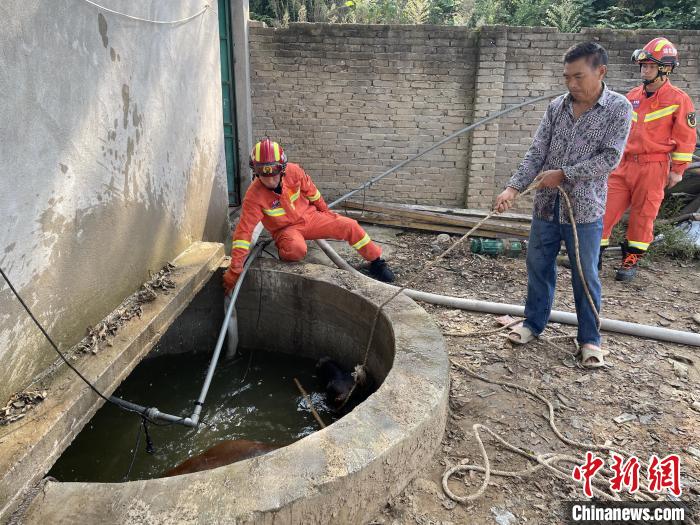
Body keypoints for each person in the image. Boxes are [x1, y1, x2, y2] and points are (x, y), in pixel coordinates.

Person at [494, 42, 632, 368]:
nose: (571, 84)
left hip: (584, 211)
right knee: (538, 268)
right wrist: (513, 188)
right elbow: (537, 152)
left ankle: (589, 340)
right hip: (545, 207)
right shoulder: (557, 107)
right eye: (567, 77)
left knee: (585, 276)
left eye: (578, 77)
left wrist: (565, 174)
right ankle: (532, 324)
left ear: (601, 72)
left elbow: (610, 158)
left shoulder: (618, 108)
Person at [223, 139, 395, 294]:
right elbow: (244, 233)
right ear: (255, 171)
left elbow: (311, 191)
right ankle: (284, 251)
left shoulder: (294, 171)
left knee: (349, 225)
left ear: (282, 168)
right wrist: (235, 269)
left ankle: (376, 262)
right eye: (263, 174)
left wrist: (325, 211)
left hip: (309, 217)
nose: (270, 180)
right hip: (286, 230)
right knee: (296, 250)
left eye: (274, 172)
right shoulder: (254, 196)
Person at [600, 37, 696, 281]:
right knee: (604, 210)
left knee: (643, 217)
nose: (644, 69)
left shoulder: (679, 99)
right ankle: (593, 257)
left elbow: (686, 137)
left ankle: (629, 263)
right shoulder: (632, 96)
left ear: (665, 69)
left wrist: (678, 170)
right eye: (643, 65)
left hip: (654, 166)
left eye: (650, 65)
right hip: (623, 164)